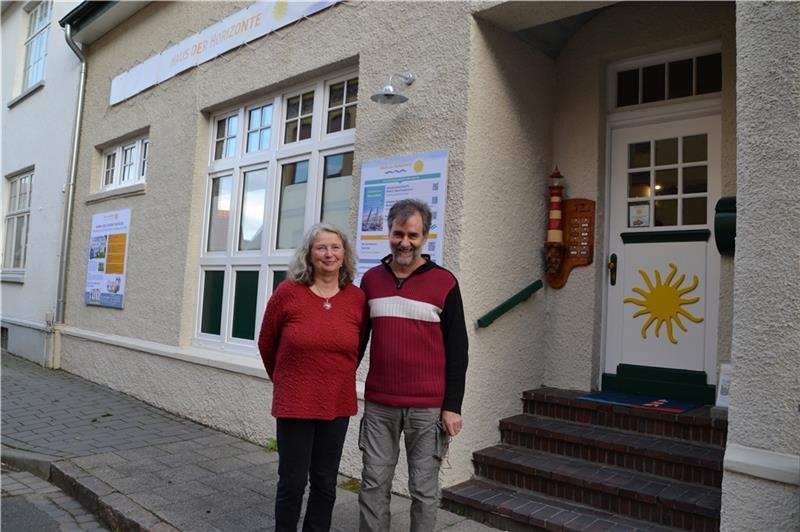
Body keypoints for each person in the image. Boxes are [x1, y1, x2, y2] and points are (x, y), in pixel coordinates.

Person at [358, 199, 469, 531]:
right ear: (388, 233)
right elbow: (357, 342)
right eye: (397, 234)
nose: (404, 242)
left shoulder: (445, 283)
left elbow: (458, 351)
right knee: (373, 484)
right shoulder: (371, 281)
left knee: (423, 491)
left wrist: (452, 407)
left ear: (425, 237)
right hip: (380, 405)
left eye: (413, 235)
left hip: (428, 409)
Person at [258, 223, 366, 532]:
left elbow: (355, 349)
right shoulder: (288, 293)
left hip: (336, 402)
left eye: (335, 247)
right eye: (321, 247)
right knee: (292, 482)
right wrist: (286, 381)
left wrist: (335, 377)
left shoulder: (356, 298)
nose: (328, 254)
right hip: (295, 402)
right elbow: (267, 342)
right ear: (309, 254)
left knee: (325, 482)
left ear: (344, 254)